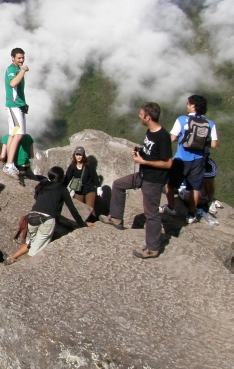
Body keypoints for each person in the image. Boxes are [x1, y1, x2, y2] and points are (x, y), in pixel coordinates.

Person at [99, 102, 172, 259]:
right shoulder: (150, 132)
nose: (139, 116)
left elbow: (168, 163)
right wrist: (140, 152)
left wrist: (144, 162)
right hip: (142, 175)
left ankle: (153, 248)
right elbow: (151, 152)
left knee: (151, 213)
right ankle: (116, 218)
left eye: (141, 114)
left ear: (148, 117)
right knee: (118, 184)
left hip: (153, 180)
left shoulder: (162, 136)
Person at [7, 166, 88, 262]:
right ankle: (27, 270)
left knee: (31, 243)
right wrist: (83, 224)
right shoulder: (62, 188)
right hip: (46, 220)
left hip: (32, 217)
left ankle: (12, 258)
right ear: (62, 178)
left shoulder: (43, 185)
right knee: (34, 252)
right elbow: (72, 209)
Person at [162, 94, 218, 224]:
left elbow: (172, 138)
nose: (186, 105)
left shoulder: (182, 120)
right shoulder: (210, 123)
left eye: (188, 103)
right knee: (195, 188)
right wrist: (202, 143)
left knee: (169, 184)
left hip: (181, 159)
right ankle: (191, 215)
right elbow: (214, 145)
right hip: (198, 160)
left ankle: (171, 207)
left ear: (193, 106)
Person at [3, 47, 29, 177]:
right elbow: (13, 83)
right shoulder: (12, 69)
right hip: (14, 106)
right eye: (19, 58)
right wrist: (23, 71)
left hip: (18, 105)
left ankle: (9, 163)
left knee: (13, 134)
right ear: (12, 58)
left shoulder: (17, 69)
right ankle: (9, 164)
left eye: (23, 57)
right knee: (18, 135)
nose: (22, 60)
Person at [63, 146, 100, 223]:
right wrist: (62, 188)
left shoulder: (88, 165)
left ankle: (92, 224)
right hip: (79, 190)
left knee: (90, 209)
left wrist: (99, 188)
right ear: (74, 155)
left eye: (80, 155)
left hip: (90, 189)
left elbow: (94, 176)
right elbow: (67, 178)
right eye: (77, 155)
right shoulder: (72, 166)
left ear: (83, 155)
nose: (79, 157)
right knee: (79, 209)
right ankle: (81, 224)